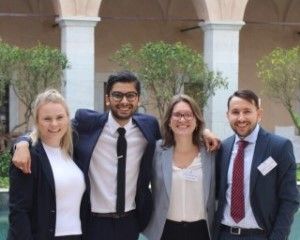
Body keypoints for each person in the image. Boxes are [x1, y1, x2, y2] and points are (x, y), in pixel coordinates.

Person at [12, 71, 220, 240]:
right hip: (93, 222)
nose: (124, 101)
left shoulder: (148, 127)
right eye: (117, 95)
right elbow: (53, 126)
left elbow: (179, 132)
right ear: (108, 98)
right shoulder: (87, 124)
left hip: (130, 222)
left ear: (138, 99)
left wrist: (204, 132)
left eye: (130, 95)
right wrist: (21, 142)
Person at [213, 90, 299, 240]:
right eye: (235, 112)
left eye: (247, 111)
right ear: (227, 115)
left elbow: (290, 199)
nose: (241, 118)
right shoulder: (223, 148)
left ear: (259, 114)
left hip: (260, 236)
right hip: (224, 235)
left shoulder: (279, 147)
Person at [8, 89, 88, 240]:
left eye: (60, 117)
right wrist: (22, 142)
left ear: (67, 119)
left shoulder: (74, 152)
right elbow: (19, 211)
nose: (54, 124)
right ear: (37, 121)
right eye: (47, 119)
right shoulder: (28, 155)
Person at [143, 94, 215, 240]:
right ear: (169, 121)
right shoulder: (156, 150)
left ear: (196, 120)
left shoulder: (211, 152)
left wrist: (207, 133)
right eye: (177, 115)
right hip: (165, 231)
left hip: (202, 231)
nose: (182, 119)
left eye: (188, 114)